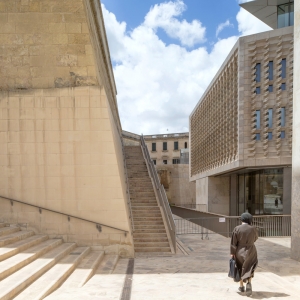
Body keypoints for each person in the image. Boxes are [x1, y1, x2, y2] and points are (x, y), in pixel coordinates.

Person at [230, 212, 258, 296]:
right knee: (250, 266)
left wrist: (232, 253)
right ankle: (249, 283)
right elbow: (255, 238)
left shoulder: (237, 228)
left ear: (242, 220)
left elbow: (233, 242)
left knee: (239, 267)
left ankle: (241, 286)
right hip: (251, 250)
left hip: (239, 250)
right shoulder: (253, 229)